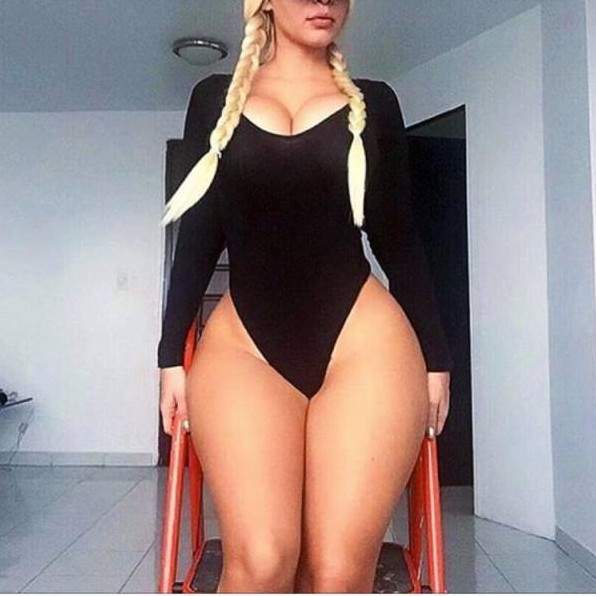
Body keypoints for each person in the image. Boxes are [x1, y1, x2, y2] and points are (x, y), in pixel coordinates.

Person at [158, 0, 454, 592]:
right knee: (262, 560)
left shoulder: (375, 102)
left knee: (338, 570)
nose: (324, 2)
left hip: (362, 343)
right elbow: (199, 233)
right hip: (245, 348)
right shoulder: (214, 99)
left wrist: (437, 360)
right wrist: (170, 355)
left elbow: (397, 238)